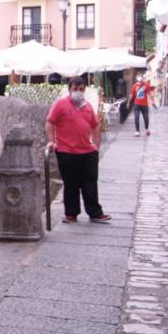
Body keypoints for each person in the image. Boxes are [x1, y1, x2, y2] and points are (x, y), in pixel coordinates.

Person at [45, 76, 112, 224]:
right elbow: (50, 123)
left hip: (87, 151)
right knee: (71, 183)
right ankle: (71, 213)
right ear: (69, 90)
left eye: (81, 89)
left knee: (90, 183)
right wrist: (51, 141)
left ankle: (95, 213)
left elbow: (95, 126)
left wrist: (96, 147)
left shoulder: (87, 106)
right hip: (66, 151)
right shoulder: (60, 105)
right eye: (75, 89)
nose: (78, 92)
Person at [129, 73, 154, 137]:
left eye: (140, 76)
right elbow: (132, 95)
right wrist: (128, 102)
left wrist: (152, 101)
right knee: (136, 117)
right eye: (138, 76)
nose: (139, 77)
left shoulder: (146, 85)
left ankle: (147, 129)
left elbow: (149, 93)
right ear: (136, 78)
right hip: (136, 104)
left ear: (142, 77)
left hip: (144, 104)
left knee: (146, 118)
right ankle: (137, 131)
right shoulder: (134, 86)